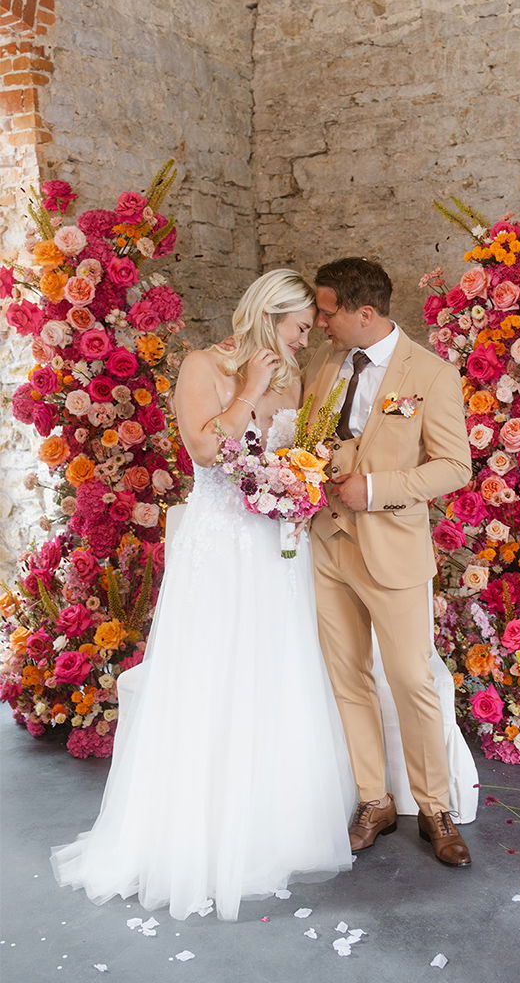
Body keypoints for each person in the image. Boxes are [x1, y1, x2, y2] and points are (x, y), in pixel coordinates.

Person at [50, 269, 355, 922]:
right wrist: (246, 392)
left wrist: (299, 484)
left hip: (277, 553)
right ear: (270, 316)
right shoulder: (202, 365)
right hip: (219, 550)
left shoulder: (296, 380)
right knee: (213, 679)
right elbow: (204, 448)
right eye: (300, 328)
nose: (304, 343)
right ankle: (199, 834)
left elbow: (290, 456)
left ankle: (273, 829)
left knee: (275, 679)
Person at [304, 257, 473, 867]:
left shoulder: (430, 373)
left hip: (394, 548)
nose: (319, 322)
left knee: (411, 681)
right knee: (348, 680)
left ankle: (434, 807)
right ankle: (374, 800)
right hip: (327, 544)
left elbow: (456, 466)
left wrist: (374, 489)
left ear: (363, 313)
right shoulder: (324, 366)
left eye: (327, 311)